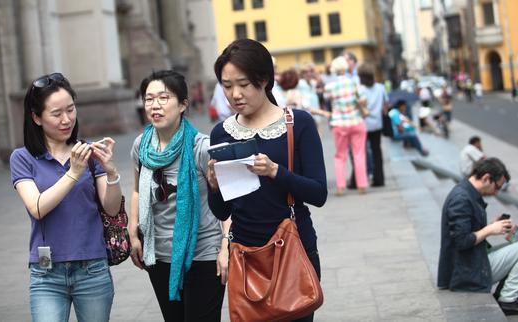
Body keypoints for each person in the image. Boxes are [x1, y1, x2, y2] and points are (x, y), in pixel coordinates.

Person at [208, 38, 328, 322]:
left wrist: (276, 172)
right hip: (245, 256)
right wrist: (213, 186)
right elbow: (223, 211)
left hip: (294, 250)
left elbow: (318, 193)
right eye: (227, 85)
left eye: (243, 84)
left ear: (264, 80)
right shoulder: (221, 134)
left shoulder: (298, 123)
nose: (235, 93)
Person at [10, 72, 122, 321]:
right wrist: (73, 173)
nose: (66, 119)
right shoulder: (23, 158)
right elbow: (37, 207)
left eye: (71, 110)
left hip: (92, 268)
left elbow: (112, 208)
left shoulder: (88, 154)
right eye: (56, 113)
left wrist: (111, 171)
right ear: (36, 118)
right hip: (46, 273)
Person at [128, 70, 229, 322]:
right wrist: (133, 232)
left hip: (202, 253)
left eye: (164, 97)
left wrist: (226, 246)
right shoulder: (141, 146)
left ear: (183, 104)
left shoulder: (201, 148)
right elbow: (138, 190)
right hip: (159, 255)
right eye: (149, 99)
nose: (155, 105)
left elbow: (228, 203)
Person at [437, 158, 518, 315]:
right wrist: (490, 229)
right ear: (486, 178)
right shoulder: (461, 199)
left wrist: (492, 225)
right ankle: (508, 300)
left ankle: (504, 293)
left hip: (468, 262)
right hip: (465, 271)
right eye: (497, 187)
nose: (496, 192)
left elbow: (465, 231)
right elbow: (461, 241)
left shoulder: (467, 191)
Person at [324, 56, 369, 195]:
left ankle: (340, 186)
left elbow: (327, 99)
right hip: (356, 121)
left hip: (339, 123)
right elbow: (363, 100)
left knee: (340, 155)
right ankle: (362, 185)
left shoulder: (330, 86)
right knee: (359, 154)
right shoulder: (354, 83)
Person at [358, 63, 388, 187]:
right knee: (377, 152)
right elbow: (386, 105)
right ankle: (379, 179)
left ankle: (360, 179)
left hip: (364, 124)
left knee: (361, 152)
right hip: (377, 124)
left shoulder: (360, 90)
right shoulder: (381, 87)